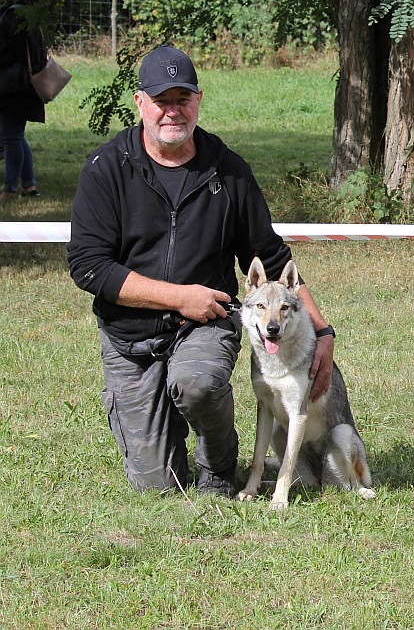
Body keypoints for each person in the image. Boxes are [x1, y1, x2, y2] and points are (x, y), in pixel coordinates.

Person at [67, 45, 335, 497]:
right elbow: (88, 267)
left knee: (198, 383)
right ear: (140, 103)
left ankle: (218, 464)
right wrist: (177, 297)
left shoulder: (227, 171)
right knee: (157, 485)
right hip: (129, 335)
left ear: (198, 99)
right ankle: (161, 423)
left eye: (182, 99)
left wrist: (322, 331)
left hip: (204, 326)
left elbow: (271, 256)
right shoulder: (107, 168)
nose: (172, 111)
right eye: (161, 101)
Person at [0, 0, 45, 201]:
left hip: (11, 87)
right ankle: (29, 186)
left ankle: (9, 189)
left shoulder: (14, 14)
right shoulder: (30, 14)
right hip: (24, 86)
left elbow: (4, 51)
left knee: (10, 138)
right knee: (17, 136)